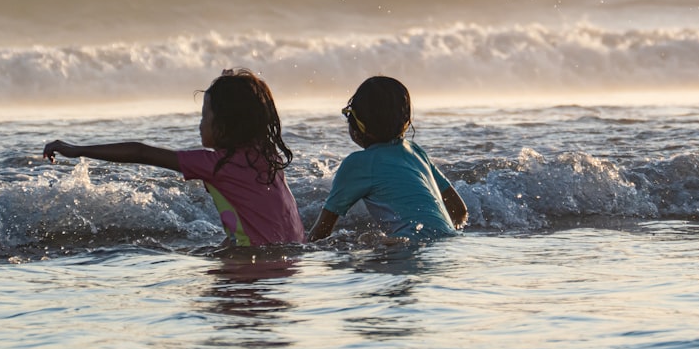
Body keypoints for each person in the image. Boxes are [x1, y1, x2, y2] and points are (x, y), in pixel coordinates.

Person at [42, 69, 305, 247]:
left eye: (205, 117)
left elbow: (140, 152)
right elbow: (249, 106)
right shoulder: (267, 153)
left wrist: (78, 149)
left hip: (257, 264)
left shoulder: (215, 165)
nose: (200, 125)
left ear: (225, 124)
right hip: (292, 254)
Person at [308, 75, 468, 243]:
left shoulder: (358, 164)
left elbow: (321, 232)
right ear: (406, 121)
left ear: (356, 124)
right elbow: (459, 210)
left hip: (408, 245)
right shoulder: (415, 151)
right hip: (447, 242)